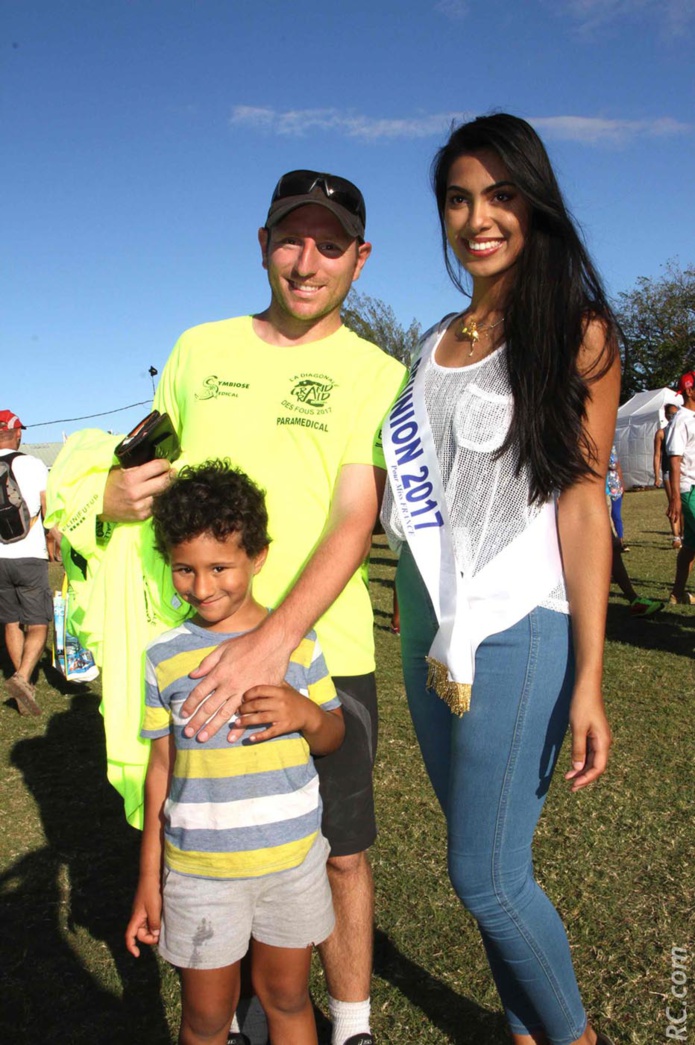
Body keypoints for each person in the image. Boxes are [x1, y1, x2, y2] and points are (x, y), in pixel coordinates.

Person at [100, 171, 406, 1045]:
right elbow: (146, 470)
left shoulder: (377, 373)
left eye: (331, 243)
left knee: (339, 851)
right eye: (290, 237)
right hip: (199, 648)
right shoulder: (200, 348)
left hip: (324, 651)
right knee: (213, 840)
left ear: (360, 258)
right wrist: (113, 493)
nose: (307, 261)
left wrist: (269, 644)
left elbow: (355, 519)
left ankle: (348, 1025)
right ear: (262, 240)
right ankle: (233, 1012)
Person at [381, 114, 619, 1045]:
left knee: (485, 874)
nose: (477, 217)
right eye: (457, 197)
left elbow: (580, 502)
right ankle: (525, 1031)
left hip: (521, 623)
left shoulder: (578, 334)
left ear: (534, 202)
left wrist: (590, 675)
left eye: (499, 195)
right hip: (426, 629)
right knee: (478, 859)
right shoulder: (435, 340)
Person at [126, 461, 344, 1045]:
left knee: (288, 999)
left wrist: (306, 715)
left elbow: (334, 735)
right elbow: (161, 772)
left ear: (259, 555)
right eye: (183, 569)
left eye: (219, 567)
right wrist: (151, 877)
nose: (202, 587)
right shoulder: (163, 657)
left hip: (291, 865)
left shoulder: (295, 642)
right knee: (203, 1019)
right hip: (201, 874)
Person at [0, 409, 58, 715]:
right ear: (18, 432)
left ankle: (24, 690)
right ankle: (23, 678)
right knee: (37, 623)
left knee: (11, 622)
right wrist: (54, 539)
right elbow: (48, 510)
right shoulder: (33, 464)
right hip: (29, 554)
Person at [666, 371, 695, 605]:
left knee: (690, 547)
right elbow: (674, 460)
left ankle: (677, 593)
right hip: (689, 489)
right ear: (690, 390)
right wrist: (675, 497)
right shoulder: (681, 420)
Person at [654, 402, 682, 547]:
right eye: (671, 415)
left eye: (675, 414)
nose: (673, 417)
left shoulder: (681, 430)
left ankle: (683, 534)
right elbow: (657, 455)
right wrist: (656, 475)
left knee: (684, 504)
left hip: (683, 471)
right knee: (673, 502)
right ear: (666, 416)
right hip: (667, 472)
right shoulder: (661, 433)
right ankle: (676, 536)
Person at [605, 444, 627, 551]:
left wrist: (622, 483)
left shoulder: (612, 447)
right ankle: (610, 542)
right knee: (607, 516)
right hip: (604, 486)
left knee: (616, 514)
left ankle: (620, 541)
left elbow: (617, 466)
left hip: (615, 486)